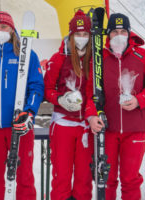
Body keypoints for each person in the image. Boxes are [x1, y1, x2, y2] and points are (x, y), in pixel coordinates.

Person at [86, 13, 145, 200]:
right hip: (107, 130)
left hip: (134, 129)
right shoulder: (99, 57)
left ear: (129, 33)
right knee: (107, 179)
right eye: (114, 32)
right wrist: (91, 116)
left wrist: (139, 100)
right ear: (108, 35)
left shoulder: (141, 55)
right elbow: (90, 94)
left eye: (123, 31)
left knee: (130, 179)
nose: (119, 35)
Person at [0, 11, 44, 200]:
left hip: (20, 126)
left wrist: (29, 112)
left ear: (12, 29)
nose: (0, 31)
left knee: (24, 177)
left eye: (4, 27)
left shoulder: (28, 54)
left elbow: (36, 86)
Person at [44, 10, 94, 200]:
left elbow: (95, 92)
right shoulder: (58, 58)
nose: (81, 38)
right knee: (61, 176)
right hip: (63, 124)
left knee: (84, 178)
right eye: (77, 34)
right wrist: (60, 99)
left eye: (85, 35)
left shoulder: (94, 61)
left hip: (86, 126)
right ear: (70, 35)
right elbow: (47, 89)